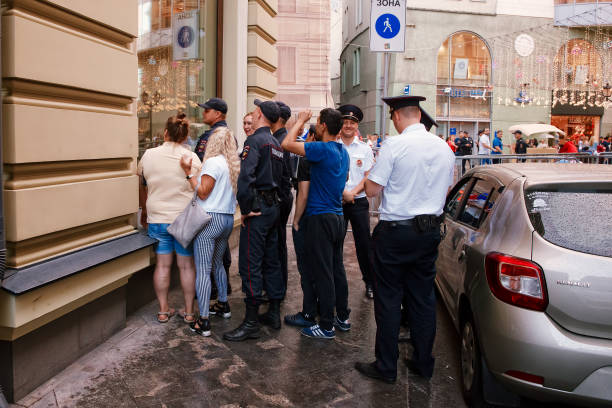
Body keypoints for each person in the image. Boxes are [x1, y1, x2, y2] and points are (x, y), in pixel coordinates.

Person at [354, 95, 455, 383]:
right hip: (429, 231)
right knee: (422, 298)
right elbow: (446, 188)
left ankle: (386, 366)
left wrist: (371, 173)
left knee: (388, 297)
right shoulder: (444, 147)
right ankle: (423, 363)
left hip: (397, 232)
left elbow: (372, 190)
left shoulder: (395, 145)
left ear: (397, 116)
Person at [282, 108, 350, 339]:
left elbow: (286, 144)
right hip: (338, 217)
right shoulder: (343, 152)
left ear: (321, 126)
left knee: (323, 274)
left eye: (317, 122)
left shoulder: (321, 149)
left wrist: (300, 120)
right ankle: (342, 317)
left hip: (321, 218)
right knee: (336, 269)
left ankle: (327, 326)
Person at [224, 100, 284, 341]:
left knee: (250, 262)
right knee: (272, 260)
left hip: (258, 208)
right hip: (273, 207)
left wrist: (246, 208)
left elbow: (246, 178)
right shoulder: (276, 143)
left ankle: (251, 322)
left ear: (259, 114)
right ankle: (274, 313)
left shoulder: (255, 141)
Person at [138, 116, 201, 324]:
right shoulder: (191, 157)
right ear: (185, 136)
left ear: (165, 133)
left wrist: (145, 211)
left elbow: (142, 182)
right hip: (183, 219)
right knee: (186, 266)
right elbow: (198, 188)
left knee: (162, 266)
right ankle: (190, 312)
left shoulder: (148, 155)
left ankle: (163, 310)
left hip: (158, 217)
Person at [180, 126, 239, 336]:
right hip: (226, 219)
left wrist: (189, 174)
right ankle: (223, 305)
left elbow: (203, 193)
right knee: (218, 264)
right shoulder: (232, 165)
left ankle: (203, 320)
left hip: (209, 219)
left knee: (203, 270)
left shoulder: (213, 163)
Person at [195, 98, 233, 299]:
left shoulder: (213, 136)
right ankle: (223, 299)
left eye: (207, 110)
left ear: (217, 114)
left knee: (205, 265)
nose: (204, 113)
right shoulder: (229, 135)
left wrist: (189, 175)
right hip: (225, 211)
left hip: (210, 208)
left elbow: (202, 179)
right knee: (219, 259)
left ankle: (204, 314)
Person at [337, 104, 375, 299]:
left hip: (358, 202)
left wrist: (352, 192)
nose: (348, 125)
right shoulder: (333, 145)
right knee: (336, 243)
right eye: (345, 122)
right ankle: (335, 283)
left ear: (357, 125)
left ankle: (369, 282)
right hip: (337, 202)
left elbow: (368, 175)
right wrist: (343, 192)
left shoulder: (365, 148)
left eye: (352, 122)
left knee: (364, 244)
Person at [284, 129, 319, 328]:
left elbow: (303, 195)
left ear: (313, 139)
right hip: (330, 217)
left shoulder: (307, 161)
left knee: (306, 268)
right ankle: (326, 309)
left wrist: (296, 220)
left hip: (309, 217)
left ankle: (308, 312)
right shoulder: (339, 154)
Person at [271, 101, 294, 300]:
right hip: (284, 197)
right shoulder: (280, 137)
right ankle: (278, 287)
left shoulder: (281, 140)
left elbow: (282, 175)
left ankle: (278, 290)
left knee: (278, 244)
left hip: (281, 198)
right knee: (278, 243)